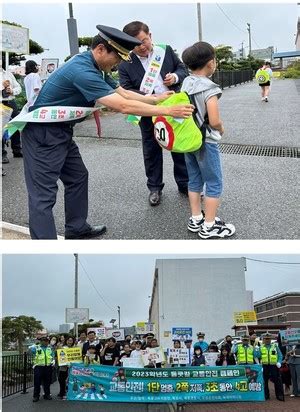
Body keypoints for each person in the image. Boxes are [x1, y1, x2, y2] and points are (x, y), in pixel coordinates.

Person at [18, 24, 193, 240]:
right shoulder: (82, 71)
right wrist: (166, 110)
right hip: (42, 134)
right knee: (43, 196)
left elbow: (123, 93)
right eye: (118, 58)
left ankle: (76, 227)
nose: (119, 64)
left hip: (61, 131)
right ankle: (45, 249)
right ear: (101, 49)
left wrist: (155, 98)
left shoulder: (95, 66)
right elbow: (122, 106)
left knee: (78, 177)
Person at [119, 21, 189, 206]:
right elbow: (126, 90)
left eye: (144, 41)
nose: (142, 47)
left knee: (178, 144)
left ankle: (184, 184)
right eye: (135, 44)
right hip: (147, 110)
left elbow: (182, 69)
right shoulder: (125, 63)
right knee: (151, 149)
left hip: (173, 106)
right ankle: (155, 187)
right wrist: (153, 97)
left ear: (150, 35)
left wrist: (175, 77)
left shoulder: (164, 51)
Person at [181, 41, 236, 239]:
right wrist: (221, 128)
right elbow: (213, 120)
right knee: (214, 182)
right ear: (211, 63)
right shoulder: (210, 88)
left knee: (194, 179)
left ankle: (196, 218)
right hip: (206, 142)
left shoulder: (186, 83)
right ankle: (210, 225)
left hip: (189, 140)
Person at [1, 67, 23, 163]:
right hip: (1, 103)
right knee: (1, 128)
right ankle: (2, 154)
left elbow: (19, 87)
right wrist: (2, 87)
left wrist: (12, 90)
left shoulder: (8, 73)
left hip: (11, 101)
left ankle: (17, 149)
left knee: (15, 125)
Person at [257, 332, 284, 401]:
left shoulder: (275, 346)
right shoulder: (261, 347)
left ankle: (279, 395)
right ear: (263, 339)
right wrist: (256, 350)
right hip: (264, 366)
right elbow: (257, 356)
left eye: (268, 339)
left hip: (274, 366)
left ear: (270, 339)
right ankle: (266, 395)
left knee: (277, 381)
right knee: (264, 381)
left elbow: (280, 355)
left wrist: (279, 362)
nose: (267, 340)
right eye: (266, 339)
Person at [30, 336, 55, 402]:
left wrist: (53, 360)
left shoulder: (50, 348)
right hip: (38, 367)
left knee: (47, 382)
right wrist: (32, 346)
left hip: (48, 367)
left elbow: (53, 355)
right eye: (43, 340)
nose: (45, 342)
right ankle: (36, 396)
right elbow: (29, 352)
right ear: (41, 341)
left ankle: (47, 395)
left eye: (46, 341)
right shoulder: (36, 348)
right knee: (37, 382)